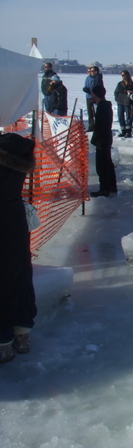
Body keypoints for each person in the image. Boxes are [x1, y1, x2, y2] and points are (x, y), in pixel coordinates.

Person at [0, 133, 37, 363]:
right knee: (20, 274)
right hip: (15, 220)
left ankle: (3, 342)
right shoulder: (19, 158)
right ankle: (22, 334)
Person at [89, 85, 117, 197]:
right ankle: (111, 185)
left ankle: (104, 188)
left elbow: (100, 125)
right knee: (107, 162)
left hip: (103, 138)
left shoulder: (102, 107)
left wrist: (96, 138)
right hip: (106, 137)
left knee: (102, 164)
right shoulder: (105, 105)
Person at [82, 66, 104, 132]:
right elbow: (86, 85)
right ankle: (91, 126)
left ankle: (98, 126)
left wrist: (90, 90)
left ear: (95, 72)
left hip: (95, 97)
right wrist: (85, 89)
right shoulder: (88, 78)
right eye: (89, 71)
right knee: (90, 113)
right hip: (88, 97)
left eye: (91, 71)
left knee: (96, 113)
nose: (90, 73)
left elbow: (96, 87)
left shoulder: (98, 78)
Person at [114, 70, 133, 138]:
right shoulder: (120, 84)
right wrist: (117, 99)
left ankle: (128, 131)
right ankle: (123, 130)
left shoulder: (131, 84)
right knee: (120, 117)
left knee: (129, 117)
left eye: (123, 75)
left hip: (127, 103)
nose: (122, 77)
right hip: (120, 102)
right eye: (121, 75)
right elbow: (116, 92)